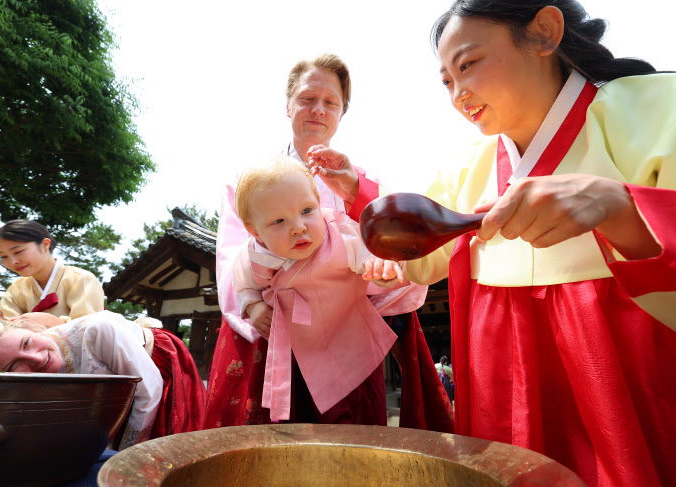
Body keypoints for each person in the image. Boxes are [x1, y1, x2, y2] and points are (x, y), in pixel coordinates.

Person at [314, 2, 674, 486]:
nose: (458, 94)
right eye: (446, 81)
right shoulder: (471, 164)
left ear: (544, 32)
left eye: (468, 65)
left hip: (623, 379)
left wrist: (620, 207)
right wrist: (359, 194)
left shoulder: (657, 109)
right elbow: (423, 245)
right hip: (498, 384)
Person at [206, 53, 452, 431]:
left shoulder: (359, 181)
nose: (318, 110)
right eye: (307, 99)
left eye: (330, 103)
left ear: (341, 113)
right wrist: (256, 308)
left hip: (343, 336)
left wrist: (383, 273)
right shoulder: (246, 183)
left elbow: (388, 252)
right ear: (288, 104)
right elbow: (233, 266)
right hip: (271, 335)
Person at [231, 155, 424, 423]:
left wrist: (381, 270)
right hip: (299, 353)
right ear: (255, 232)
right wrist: (254, 305)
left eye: (307, 211)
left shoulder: (340, 234)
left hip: (351, 343)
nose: (298, 227)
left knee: (361, 417)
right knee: (306, 421)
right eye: (279, 222)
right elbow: (243, 285)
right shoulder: (251, 255)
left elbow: (369, 259)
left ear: (319, 204)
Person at [0, 310, 206, 450]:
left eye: (26, 343)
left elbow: (149, 392)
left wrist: (123, 452)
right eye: (14, 365)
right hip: (119, 388)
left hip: (154, 368)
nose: (35, 358)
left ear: (25, 328)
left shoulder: (98, 330)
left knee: (163, 441)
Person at [0, 220, 104, 320]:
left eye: (18, 252)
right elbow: (4, 330)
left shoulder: (81, 279)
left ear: (45, 244)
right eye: (4, 257)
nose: (12, 262)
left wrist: (48, 323)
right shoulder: (15, 290)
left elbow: (87, 331)